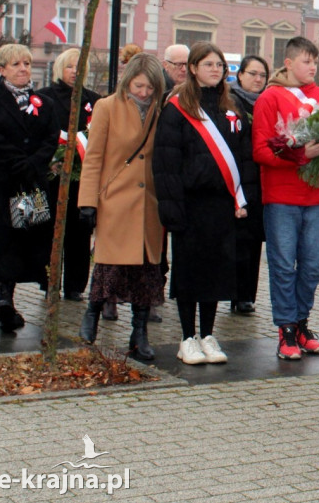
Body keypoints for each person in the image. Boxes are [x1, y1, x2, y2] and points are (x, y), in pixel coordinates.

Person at [153, 43, 256, 365]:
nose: (215, 69)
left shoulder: (233, 108)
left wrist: (245, 198)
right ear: (193, 68)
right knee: (189, 273)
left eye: (219, 64)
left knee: (216, 272)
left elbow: (244, 157)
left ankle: (208, 335)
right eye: (208, 64)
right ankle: (187, 338)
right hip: (190, 204)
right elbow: (166, 161)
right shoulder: (176, 108)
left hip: (223, 205)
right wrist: (171, 207)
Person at [77, 54, 165, 359]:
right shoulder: (107, 107)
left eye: (150, 87)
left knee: (146, 270)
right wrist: (87, 202)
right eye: (138, 85)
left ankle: (139, 332)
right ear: (127, 81)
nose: (143, 92)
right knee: (109, 266)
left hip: (149, 204)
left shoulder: (160, 110)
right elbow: (93, 158)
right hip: (115, 200)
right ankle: (92, 314)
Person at [252, 37, 319, 360]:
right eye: (306, 61)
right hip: (282, 197)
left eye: (315, 62)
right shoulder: (270, 98)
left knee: (313, 266)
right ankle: (286, 327)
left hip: (317, 195)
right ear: (288, 63)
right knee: (284, 265)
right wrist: (299, 155)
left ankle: (302, 321)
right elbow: (260, 151)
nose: (312, 67)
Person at [0, 44, 59, 332]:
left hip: (28, 185)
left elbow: (52, 136)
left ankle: (13, 296)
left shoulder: (44, 102)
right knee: (0, 238)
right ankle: (3, 299)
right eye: (16, 64)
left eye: (27, 64)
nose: (23, 69)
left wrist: (34, 163)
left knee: (24, 235)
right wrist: (18, 160)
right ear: (1, 69)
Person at [39, 48, 101, 301]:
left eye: (80, 67)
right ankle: (49, 282)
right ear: (59, 69)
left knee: (79, 234)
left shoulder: (94, 100)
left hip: (81, 178)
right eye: (70, 67)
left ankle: (75, 285)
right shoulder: (44, 98)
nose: (75, 71)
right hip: (52, 177)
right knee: (50, 232)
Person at [229, 55, 270, 314]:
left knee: (252, 241)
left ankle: (245, 295)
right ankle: (229, 290)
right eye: (253, 73)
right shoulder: (230, 101)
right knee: (233, 240)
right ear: (240, 75)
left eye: (262, 75)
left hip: (260, 181)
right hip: (235, 178)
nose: (258, 79)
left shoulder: (267, 102)